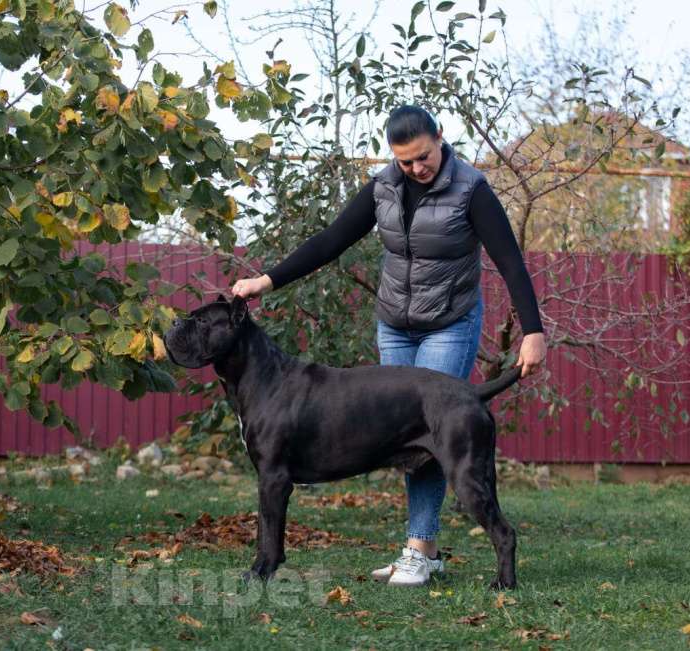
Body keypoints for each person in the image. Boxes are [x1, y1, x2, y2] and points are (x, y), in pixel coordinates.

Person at [230, 105, 547, 587]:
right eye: (405, 161)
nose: (416, 168)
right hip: (395, 325)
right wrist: (267, 280)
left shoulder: (471, 190)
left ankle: (418, 550)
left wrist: (533, 331)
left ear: (440, 137)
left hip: (450, 323)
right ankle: (426, 552)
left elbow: (510, 261)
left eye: (423, 156)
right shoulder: (383, 187)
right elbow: (330, 241)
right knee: (403, 435)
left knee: (433, 430)